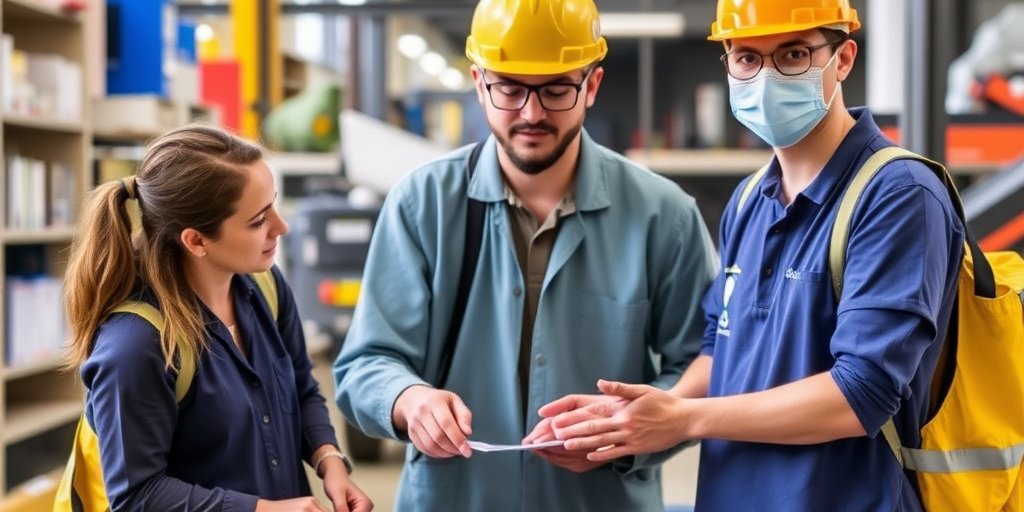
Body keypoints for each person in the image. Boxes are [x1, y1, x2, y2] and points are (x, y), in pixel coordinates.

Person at [538, 1, 966, 511]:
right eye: (745, 58)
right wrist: (631, 417)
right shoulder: (747, 201)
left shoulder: (897, 194)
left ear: (844, 58)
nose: (765, 78)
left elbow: (861, 394)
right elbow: (721, 351)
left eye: (793, 54)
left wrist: (685, 420)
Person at [331, 0, 717, 509]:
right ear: (478, 82)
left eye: (557, 90)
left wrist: (627, 426)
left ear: (592, 86)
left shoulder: (663, 216)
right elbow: (367, 363)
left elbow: (703, 366)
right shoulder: (421, 203)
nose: (531, 113)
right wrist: (408, 400)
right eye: (509, 88)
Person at [63, 125, 373, 512]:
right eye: (259, 221)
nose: (282, 227)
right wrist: (263, 510)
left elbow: (300, 385)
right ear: (196, 240)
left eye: (274, 205)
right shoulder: (134, 347)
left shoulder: (266, 287)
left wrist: (330, 462)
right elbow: (137, 496)